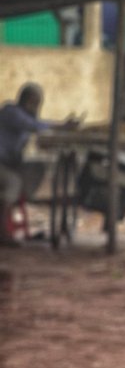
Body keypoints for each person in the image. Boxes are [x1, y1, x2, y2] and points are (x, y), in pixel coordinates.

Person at [0, 83, 80, 246]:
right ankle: (3, 230)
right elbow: (34, 126)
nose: (37, 107)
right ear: (28, 100)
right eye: (36, 102)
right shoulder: (11, 112)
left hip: (10, 163)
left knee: (37, 167)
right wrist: (62, 126)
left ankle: (19, 197)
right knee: (13, 182)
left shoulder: (26, 118)